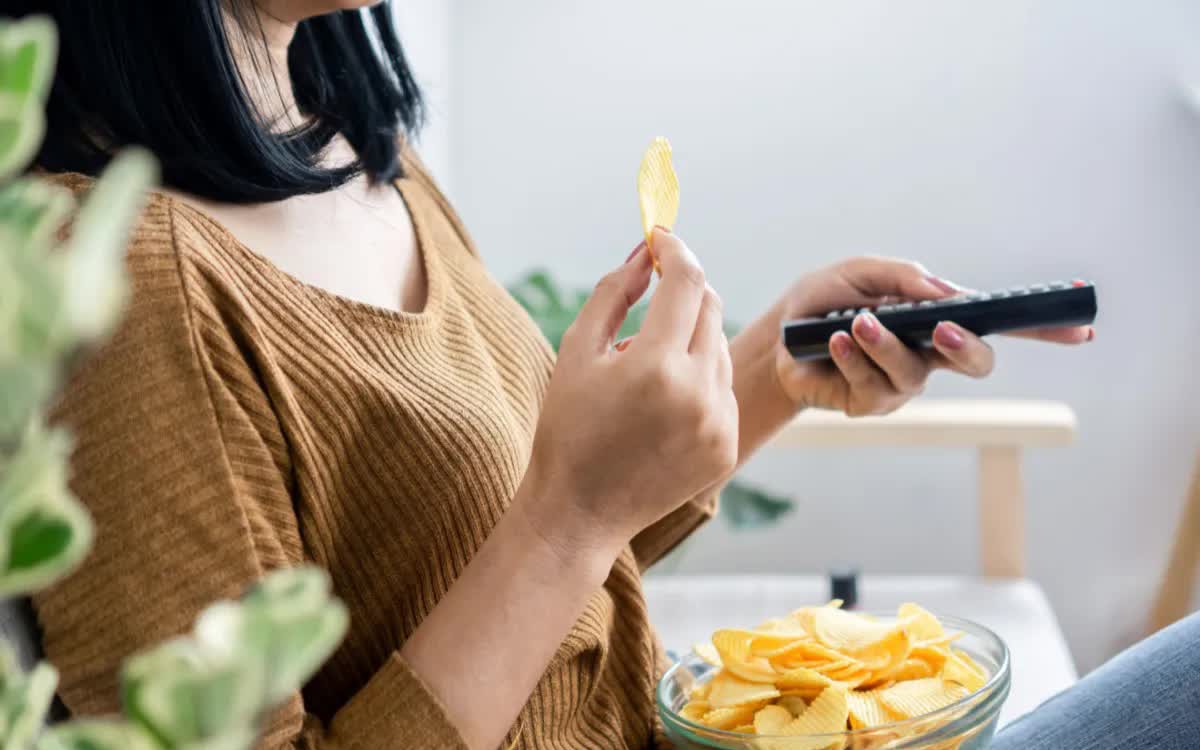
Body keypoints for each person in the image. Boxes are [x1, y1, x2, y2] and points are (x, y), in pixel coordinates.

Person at [9, 2, 1129, 749]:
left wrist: (779, 366)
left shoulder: (350, 146)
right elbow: (547, 537)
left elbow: (519, 568)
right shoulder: (118, 288)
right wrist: (568, 519)